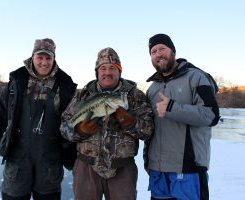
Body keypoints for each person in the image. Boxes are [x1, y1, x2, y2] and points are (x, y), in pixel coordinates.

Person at [0, 38, 77, 200]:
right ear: (32, 57)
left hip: (50, 159)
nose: (44, 62)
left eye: (48, 58)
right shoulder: (17, 82)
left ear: (54, 59)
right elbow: (0, 113)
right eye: (40, 57)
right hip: (17, 158)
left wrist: (72, 155)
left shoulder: (65, 85)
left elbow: (73, 123)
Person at [60, 47, 155, 200]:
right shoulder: (82, 95)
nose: (107, 72)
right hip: (86, 167)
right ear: (97, 72)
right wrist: (79, 131)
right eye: (102, 68)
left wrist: (131, 123)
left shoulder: (135, 96)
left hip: (123, 169)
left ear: (119, 71)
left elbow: (149, 131)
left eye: (113, 68)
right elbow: (64, 128)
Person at [143, 33, 220, 200]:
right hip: (158, 170)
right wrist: (147, 160)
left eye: (162, 48)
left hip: (188, 169)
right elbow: (150, 128)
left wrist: (172, 107)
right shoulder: (152, 88)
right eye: (153, 51)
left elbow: (211, 115)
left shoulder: (197, 77)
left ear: (173, 51)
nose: (158, 54)